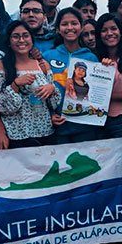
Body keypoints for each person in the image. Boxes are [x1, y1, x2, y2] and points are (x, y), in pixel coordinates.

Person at [0, 20, 60, 148]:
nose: (21, 40)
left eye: (25, 35)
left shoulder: (42, 65)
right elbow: (0, 107)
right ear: (9, 41)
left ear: (32, 39)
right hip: (16, 136)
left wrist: (51, 89)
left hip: (45, 133)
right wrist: (15, 85)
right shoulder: (1, 66)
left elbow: (54, 104)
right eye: (16, 36)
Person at [43, 8, 100, 144]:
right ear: (58, 29)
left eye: (74, 23)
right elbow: (40, 90)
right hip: (57, 128)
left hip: (85, 127)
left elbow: (98, 93)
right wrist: (50, 115)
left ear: (81, 27)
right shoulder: (47, 57)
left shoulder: (91, 57)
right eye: (64, 24)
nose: (70, 28)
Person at [95, 13, 122, 139]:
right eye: (104, 30)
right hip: (95, 119)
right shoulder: (95, 58)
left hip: (121, 119)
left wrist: (105, 96)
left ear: (121, 31)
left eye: (114, 29)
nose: (109, 33)